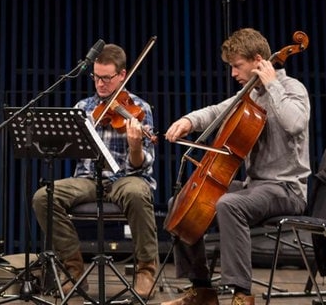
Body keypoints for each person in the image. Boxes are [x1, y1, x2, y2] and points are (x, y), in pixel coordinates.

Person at [161, 28, 311, 305]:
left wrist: (272, 84)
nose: (233, 74)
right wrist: (188, 121)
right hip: (256, 187)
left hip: (286, 189)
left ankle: (242, 294)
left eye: (237, 66)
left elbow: (295, 123)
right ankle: (202, 289)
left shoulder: (292, 89)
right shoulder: (250, 96)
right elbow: (217, 110)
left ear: (258, 61)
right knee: (180, 201)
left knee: (229, 204)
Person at [31, 43, 159, 298]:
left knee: (136, 193)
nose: (100, 84)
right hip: (89, 179)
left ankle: (145, 269)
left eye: (107, 78)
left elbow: (143, 163)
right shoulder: (85, 107)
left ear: (122, 75)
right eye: (96, 77)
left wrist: (135, 146)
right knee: (43, 197)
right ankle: (73, 269)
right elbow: (74, 152)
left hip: (126, 178)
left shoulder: (139, 108)